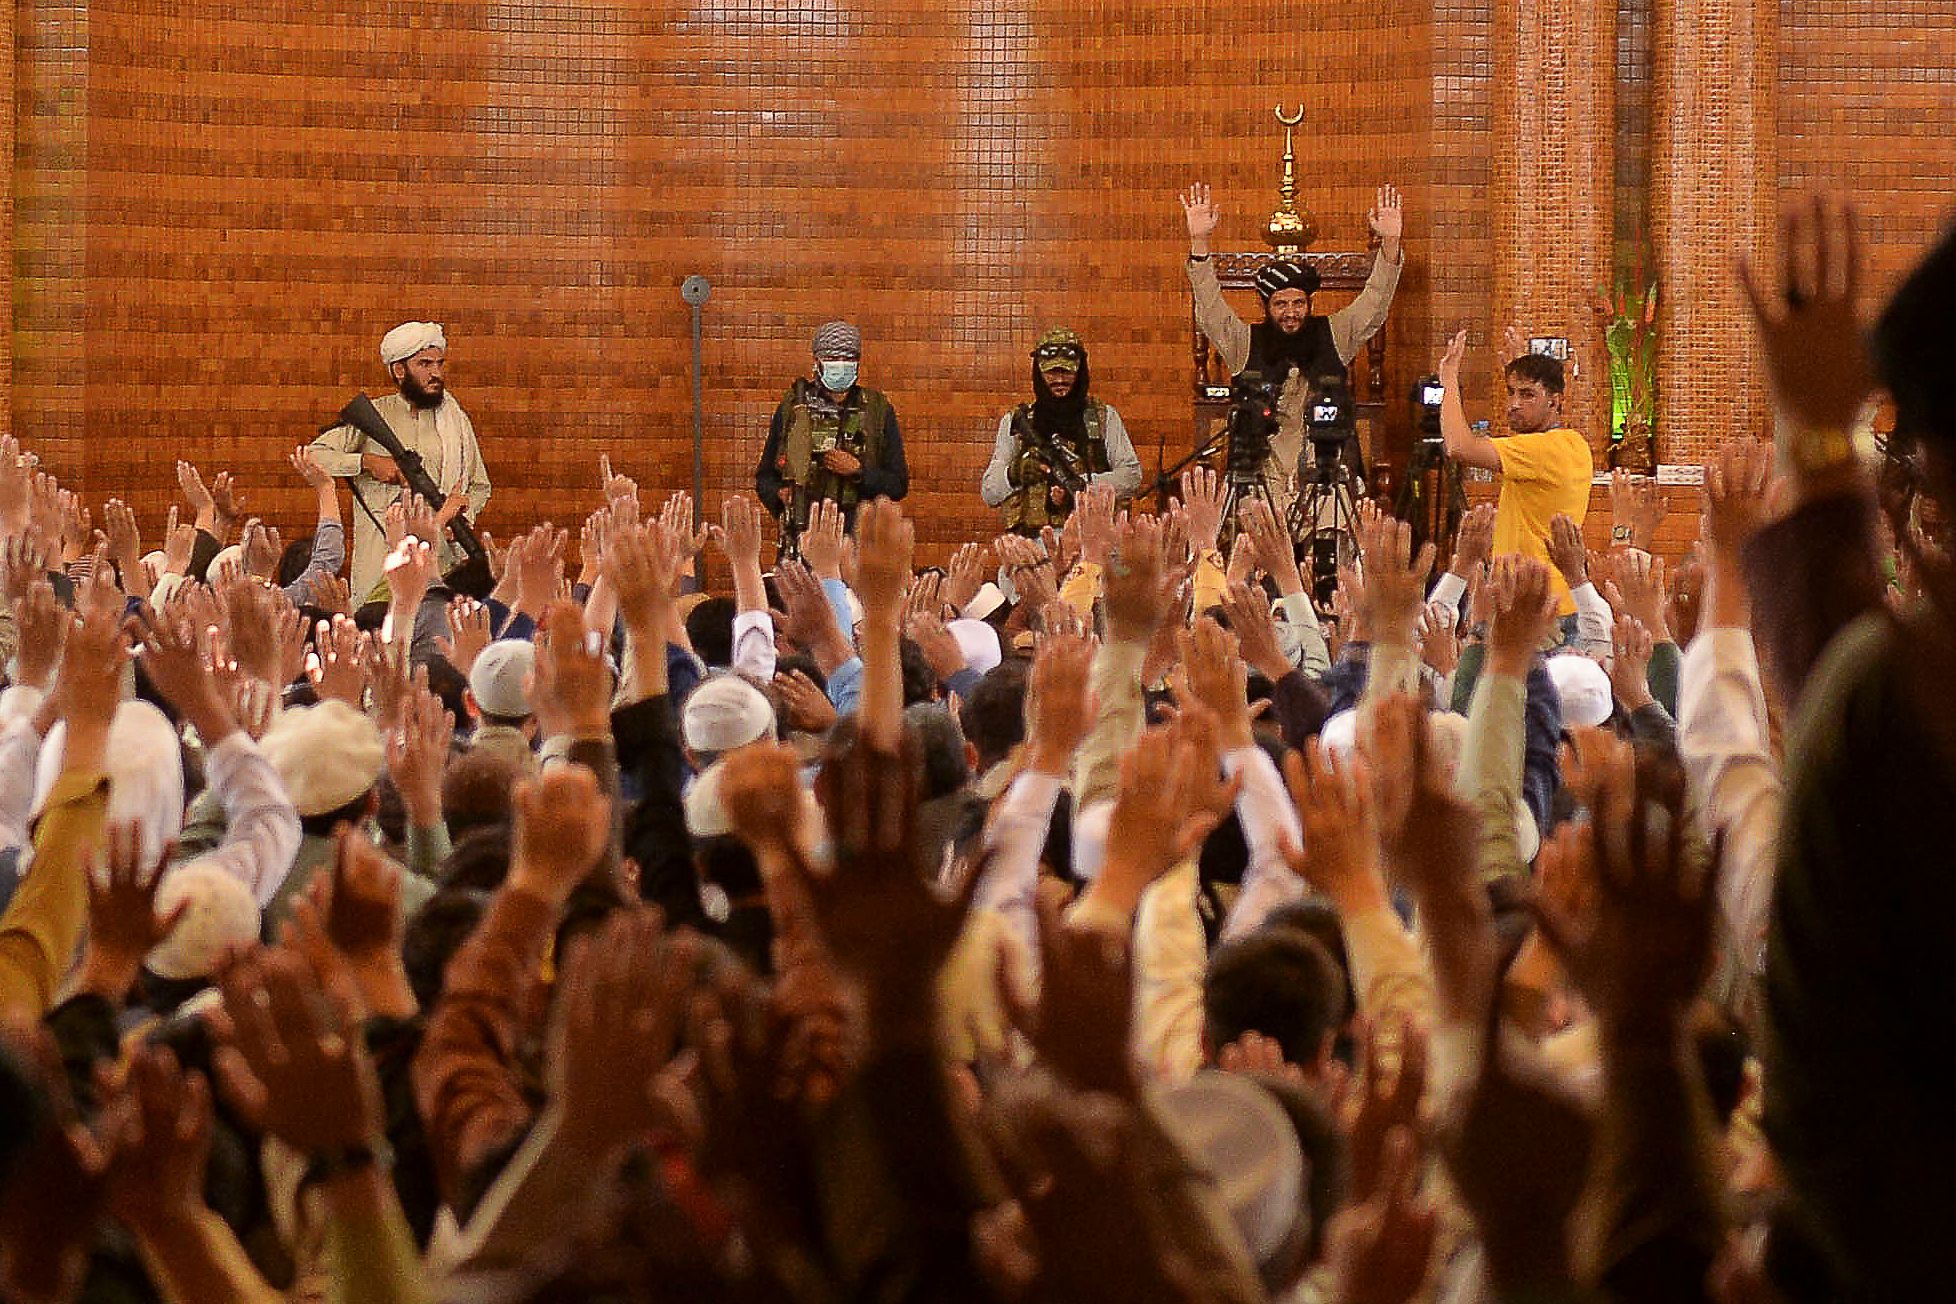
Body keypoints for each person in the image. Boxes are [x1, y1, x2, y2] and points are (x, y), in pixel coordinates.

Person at [1180, 182, 1405, 524]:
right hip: (1261, 477)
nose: (1291, 312)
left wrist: (1390, 243)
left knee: (1337, 531)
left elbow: (1375, 303)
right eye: (1281, 304)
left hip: (1325, 475)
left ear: (1309, 303)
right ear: (1267, 306)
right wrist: (1200, 243)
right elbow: (1210, 309)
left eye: (1298, 303)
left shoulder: (1334, 334)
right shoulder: (1244, 343)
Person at [309, 322, 493, 604]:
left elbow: (479, 485)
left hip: (442, 565)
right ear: (399, 369)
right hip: (379, 568)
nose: (435, 373)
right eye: (424, 364)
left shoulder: (456, 421)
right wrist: (367, 462)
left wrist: (465, 510)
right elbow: (313, 455)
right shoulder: (375, 416)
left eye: (439, 364)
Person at [1436, 328, 1594, 616]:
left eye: (1527, 395)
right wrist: (1525, 365)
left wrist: (1448, 378)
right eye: (1511, 392)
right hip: (1553, 600)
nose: (1513, 405)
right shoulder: (1574, 443)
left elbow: (1459, 447)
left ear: (1555, 401)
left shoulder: (1543, 449)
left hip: (1533, 606)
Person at [755, 320, 908, 555]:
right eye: (834, 360)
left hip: (857, 548)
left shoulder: (877, 410)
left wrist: (858, 472)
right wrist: (780, 495)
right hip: (802, 543)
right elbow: (766, 477)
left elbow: (897, 485)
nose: (841, 366)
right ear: (817, 362)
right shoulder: (794, 407)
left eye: (848, 360)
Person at [980, 326, 1142, 533]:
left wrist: (1083, 487)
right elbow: (989, 491)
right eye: (1050, 373)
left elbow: (1131, 475)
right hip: (1031, 544)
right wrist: (1014, 474)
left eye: (1067, 372)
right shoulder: (1018, 421)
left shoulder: (1103, 417)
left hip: (1091, 539)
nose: (1059, 380)